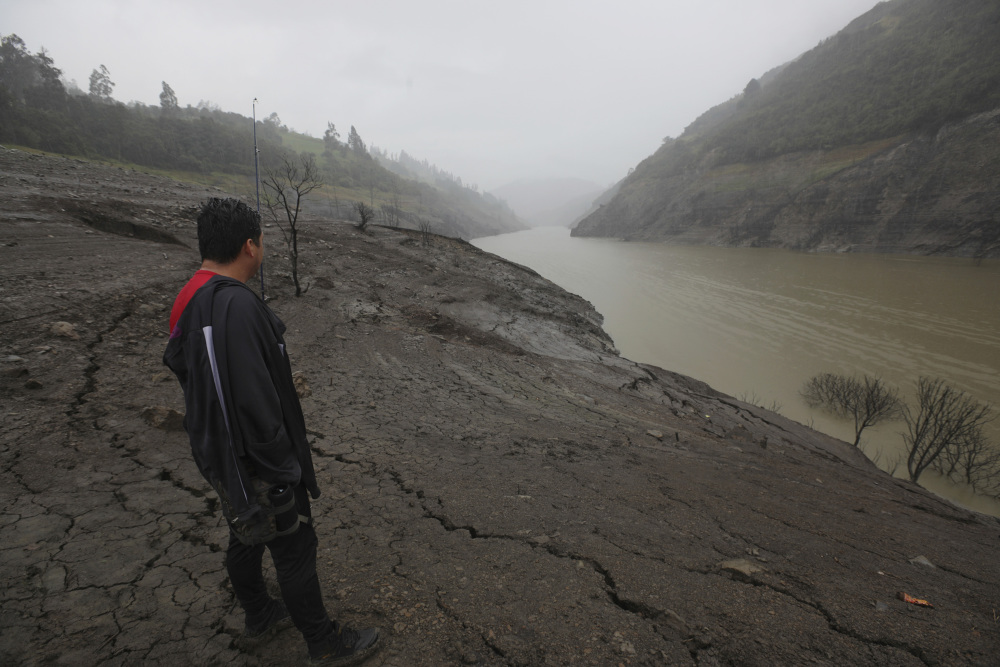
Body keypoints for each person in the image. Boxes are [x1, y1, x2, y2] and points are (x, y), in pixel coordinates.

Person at [163, 198, 380, 665]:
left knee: (245, 529)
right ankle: (324, 645)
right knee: (294, 546)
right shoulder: (236, 306)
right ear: (249, 245)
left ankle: (260, 614)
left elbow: (182, 366)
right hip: (256, 460)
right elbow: (253, 396)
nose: (265, 248)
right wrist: (281, 465)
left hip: (220, 455)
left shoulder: (191, 297)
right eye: (262, 240)